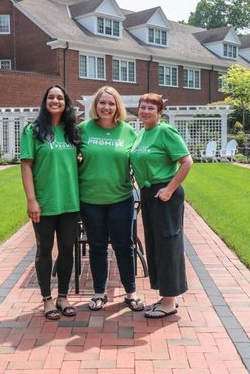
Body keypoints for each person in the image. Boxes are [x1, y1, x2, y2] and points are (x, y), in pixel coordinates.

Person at [78, 86, 144, 311]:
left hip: (121, 199)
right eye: (102, 102)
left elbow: (142, 160)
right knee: (97, 246)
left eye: (111, 103)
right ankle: (99, 293)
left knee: (124, 246)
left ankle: (131, 292)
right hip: (90, 199)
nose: (106, 107)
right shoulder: (82, 130)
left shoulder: (129, 132)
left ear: (118, 106)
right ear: (95, 105)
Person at [130, 93, 193, 319]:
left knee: (168, 244)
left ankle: (169, 302)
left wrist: (169, 189)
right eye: (143, 107)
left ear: (160, 112)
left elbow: (187, 162)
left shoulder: (165, 131)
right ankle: (166, 296)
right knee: (155, 244)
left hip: (164, 194)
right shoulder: (141, 134)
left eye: (151, 108)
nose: (146, 111)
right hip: (149, 194)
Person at [20, 84, 80, 320]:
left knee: (67, 249)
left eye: (60, 98)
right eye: (51, 97)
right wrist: (31, 200)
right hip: (44, 203)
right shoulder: (33, 131)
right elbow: (26, 165)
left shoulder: (72, 131)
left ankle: (63, 296)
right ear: (45, 101)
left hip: (71, 203)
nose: (55, 101)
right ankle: (46, 299)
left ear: (66, 103)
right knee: (44, 249)